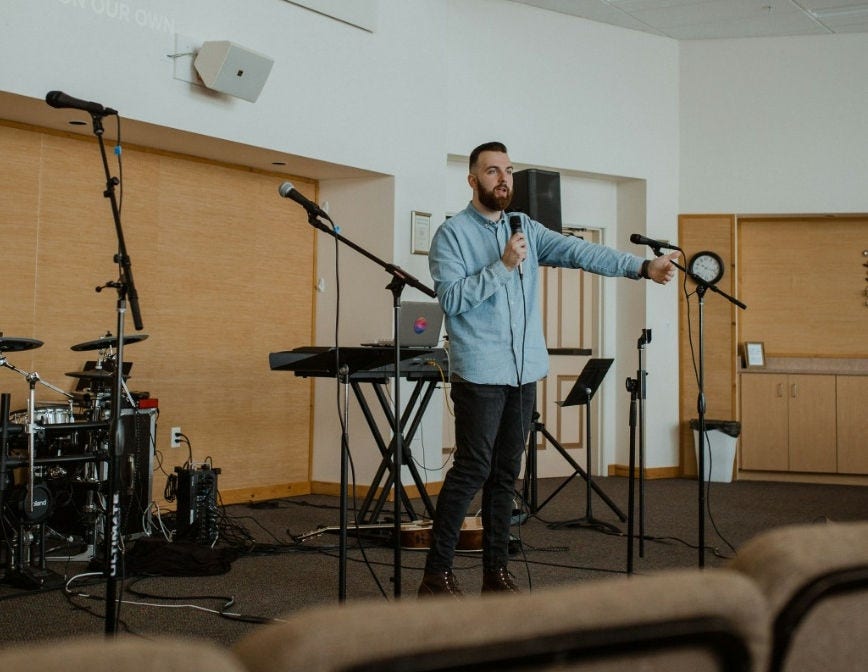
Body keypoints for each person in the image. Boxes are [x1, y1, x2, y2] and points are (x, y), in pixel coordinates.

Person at [419, 141, 678, 597]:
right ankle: (436, 575)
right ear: (473, 179)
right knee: (471, 471)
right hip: (480, 374)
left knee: (505, 477)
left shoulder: (526, 227)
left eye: (508, 171)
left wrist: (641, 266)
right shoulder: (452, 234)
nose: (503, 179)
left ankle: (495, 573)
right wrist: (503, 266)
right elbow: (452, 301)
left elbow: (583, 254)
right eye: (492, 171)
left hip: (523, 374)